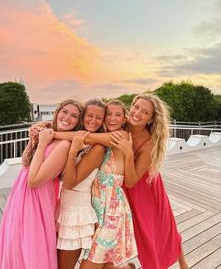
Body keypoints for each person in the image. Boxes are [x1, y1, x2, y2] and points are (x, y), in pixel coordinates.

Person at [54, 94, 188, 269]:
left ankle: (183, 264)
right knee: (105, 258)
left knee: (159, 227)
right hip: (107, 196)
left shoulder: (143, 143)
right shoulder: (121, 124)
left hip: (142, 187)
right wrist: (47, 126)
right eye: (136, 107)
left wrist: (52, 133)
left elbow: (88, 139)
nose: (138, 113)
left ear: (151, 119)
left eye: (145, 112)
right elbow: (93, 130)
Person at [0, 99, 83, 269]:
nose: (67, 117)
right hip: (20, 193)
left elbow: (34, 181)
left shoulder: (64, 145)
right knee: (15, 240)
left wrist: (42, 144)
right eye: (64, 112)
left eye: (74, 116)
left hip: (37, 198)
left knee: (31, 243)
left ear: (78, 122)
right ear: (57, 112)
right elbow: (26, 163)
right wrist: (32, 141)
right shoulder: (48, 134)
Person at [79, 100, 138, 269]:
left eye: (117, 114)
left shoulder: (120, 137)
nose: (112, 118)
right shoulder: (104, 138)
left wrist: (128, 154)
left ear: (124, 119)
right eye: (109, 114)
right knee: (104, 261)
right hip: (97, 207)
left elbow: (131, 181)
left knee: (91, 263)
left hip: (112, 210)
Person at [56, 99, 106, 269]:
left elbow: (70, 183)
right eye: (89, 115)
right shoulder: (80, 137)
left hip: (76, 214)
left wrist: (72, 151)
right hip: (62, 208)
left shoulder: (97, 148)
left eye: (98, 118)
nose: (93, 120)